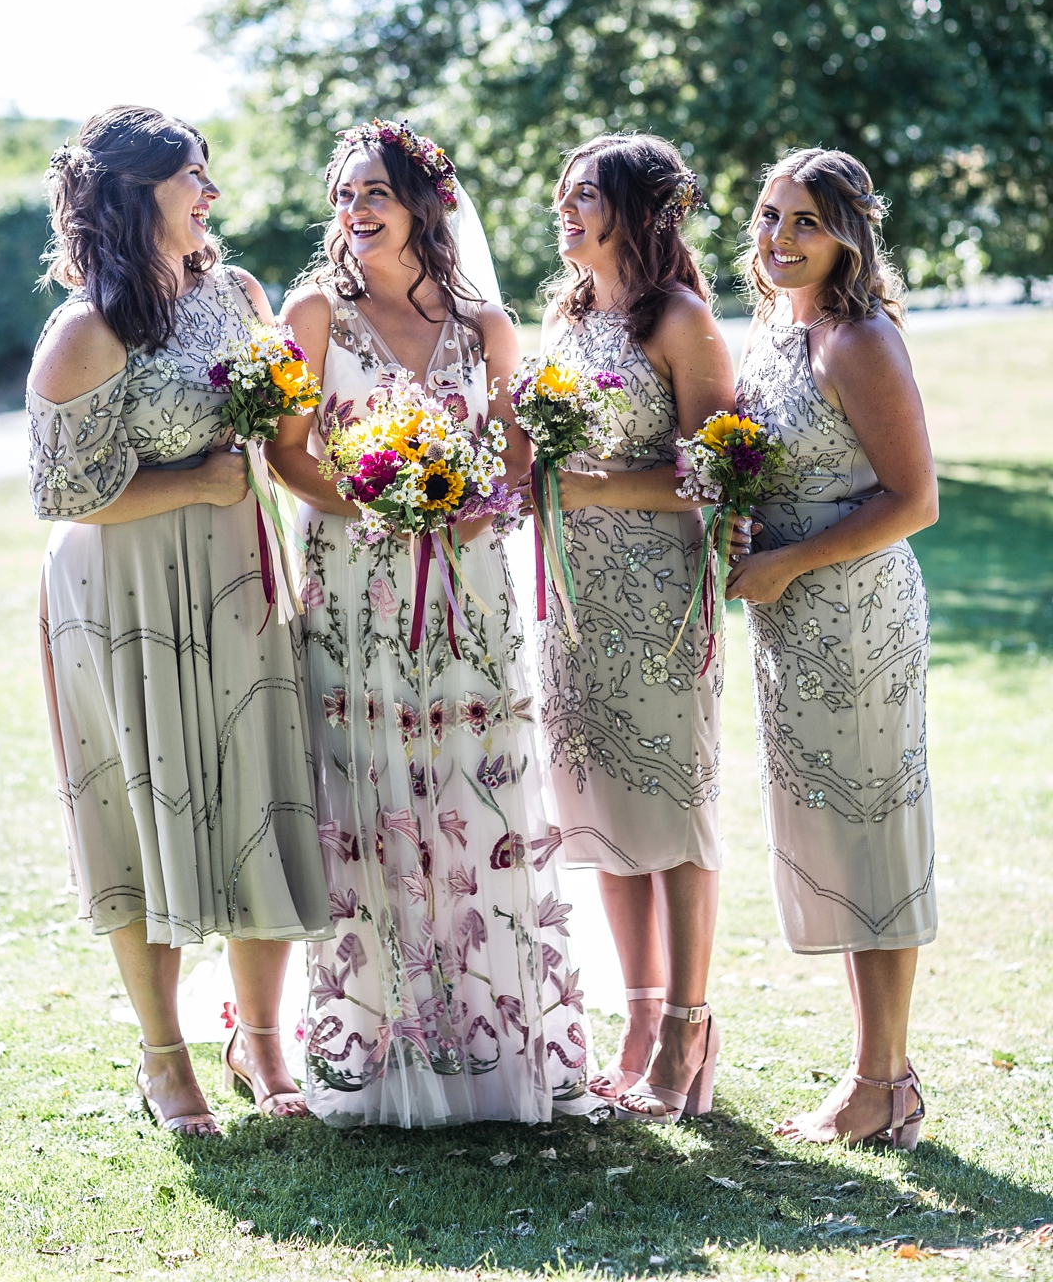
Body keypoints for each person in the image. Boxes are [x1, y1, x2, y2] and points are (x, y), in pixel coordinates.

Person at [270, 119, 590, 1127]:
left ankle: (486, 1042)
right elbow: (285, 454)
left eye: (373, 193)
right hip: (356, 582)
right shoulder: (315, 312)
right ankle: (367, 1044)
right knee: (366, 791)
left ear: (423, 205)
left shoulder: (485, 327)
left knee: (469, 791)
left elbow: (514, 459)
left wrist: (467, 497)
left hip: (468, 586)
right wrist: (380, 502)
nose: (354, 212)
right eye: (344, 196)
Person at [27, 106, 331, 1136]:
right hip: (120, 590)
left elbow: (284, 430)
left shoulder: (237, 293)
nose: (211, 193)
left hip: (240, 572)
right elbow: (62, 492)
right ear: (132, 193)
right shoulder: (87, 330)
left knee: (258, 780)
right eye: (193, 176)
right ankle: (165, 1059)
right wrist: (196, 484)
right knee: (143, 810)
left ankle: (262, 1038)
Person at [536, 133, 750, 1124]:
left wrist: (591, 486)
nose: (564, 210)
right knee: (606, 814)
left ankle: (688, 1027)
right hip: (576, 601)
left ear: (634, 208)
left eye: (585, 195)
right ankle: (635, 1018)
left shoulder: (681, 322)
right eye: (564, 195)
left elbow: (719, 475)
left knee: (672, 809)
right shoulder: (571, 316)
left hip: (662, 603)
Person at [726, 146, 937, 1149]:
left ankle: (881, 1085)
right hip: (790, 615)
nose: (780, 239)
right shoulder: (775, 333)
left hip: (855, 614)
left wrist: (791, 559)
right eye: (770, 216)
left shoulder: (857, 340)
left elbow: (916, 501)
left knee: (871, 832)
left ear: (849, 232)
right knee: (835, 837)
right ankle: (876, 1075)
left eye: (805, 220)